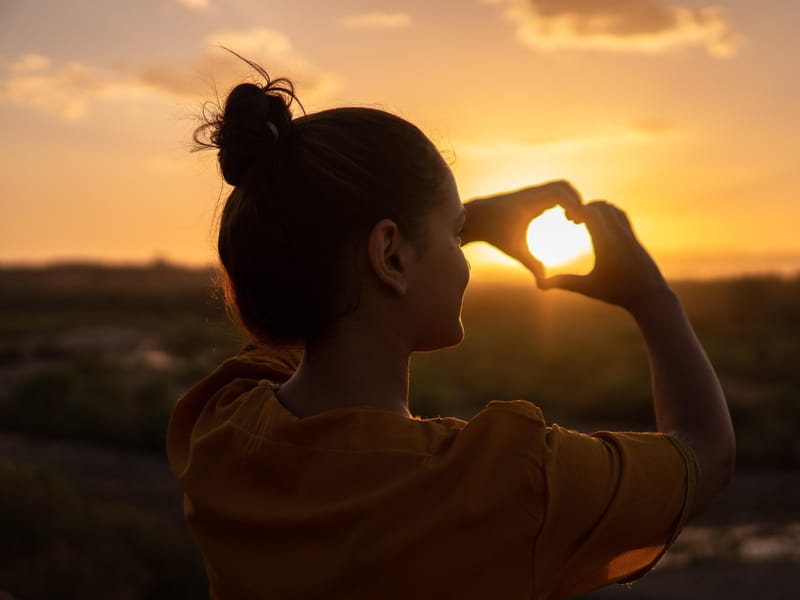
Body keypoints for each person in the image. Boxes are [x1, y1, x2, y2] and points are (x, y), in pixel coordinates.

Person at [167, 63, 735, 599]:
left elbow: (299, 290)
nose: (464, 257)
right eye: (455, 234)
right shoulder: (506, 482)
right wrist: (652, 298)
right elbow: (705, 452)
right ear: (390, 255)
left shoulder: (220, 429)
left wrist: (445, 225)